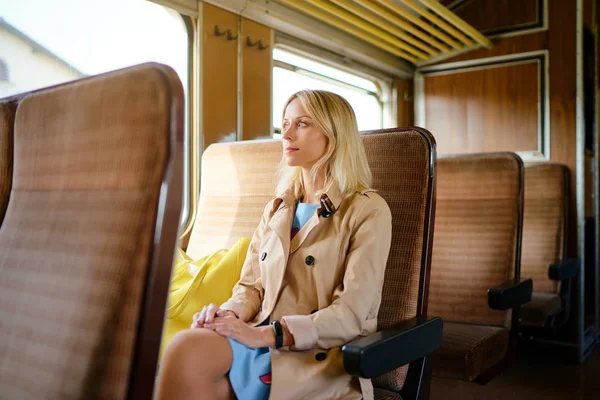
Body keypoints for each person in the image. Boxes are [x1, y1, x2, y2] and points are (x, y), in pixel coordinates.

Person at [155, 90, 392, 400]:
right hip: (256, 337)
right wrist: (227, 315)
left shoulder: (368, 211)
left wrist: (265, 334)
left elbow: (350, 315)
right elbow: (249, 288)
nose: (287, 133)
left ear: (333, 134)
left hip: (316, 354)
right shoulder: (277, 208)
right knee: (185, 346)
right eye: (285, 123)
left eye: (302, 123)